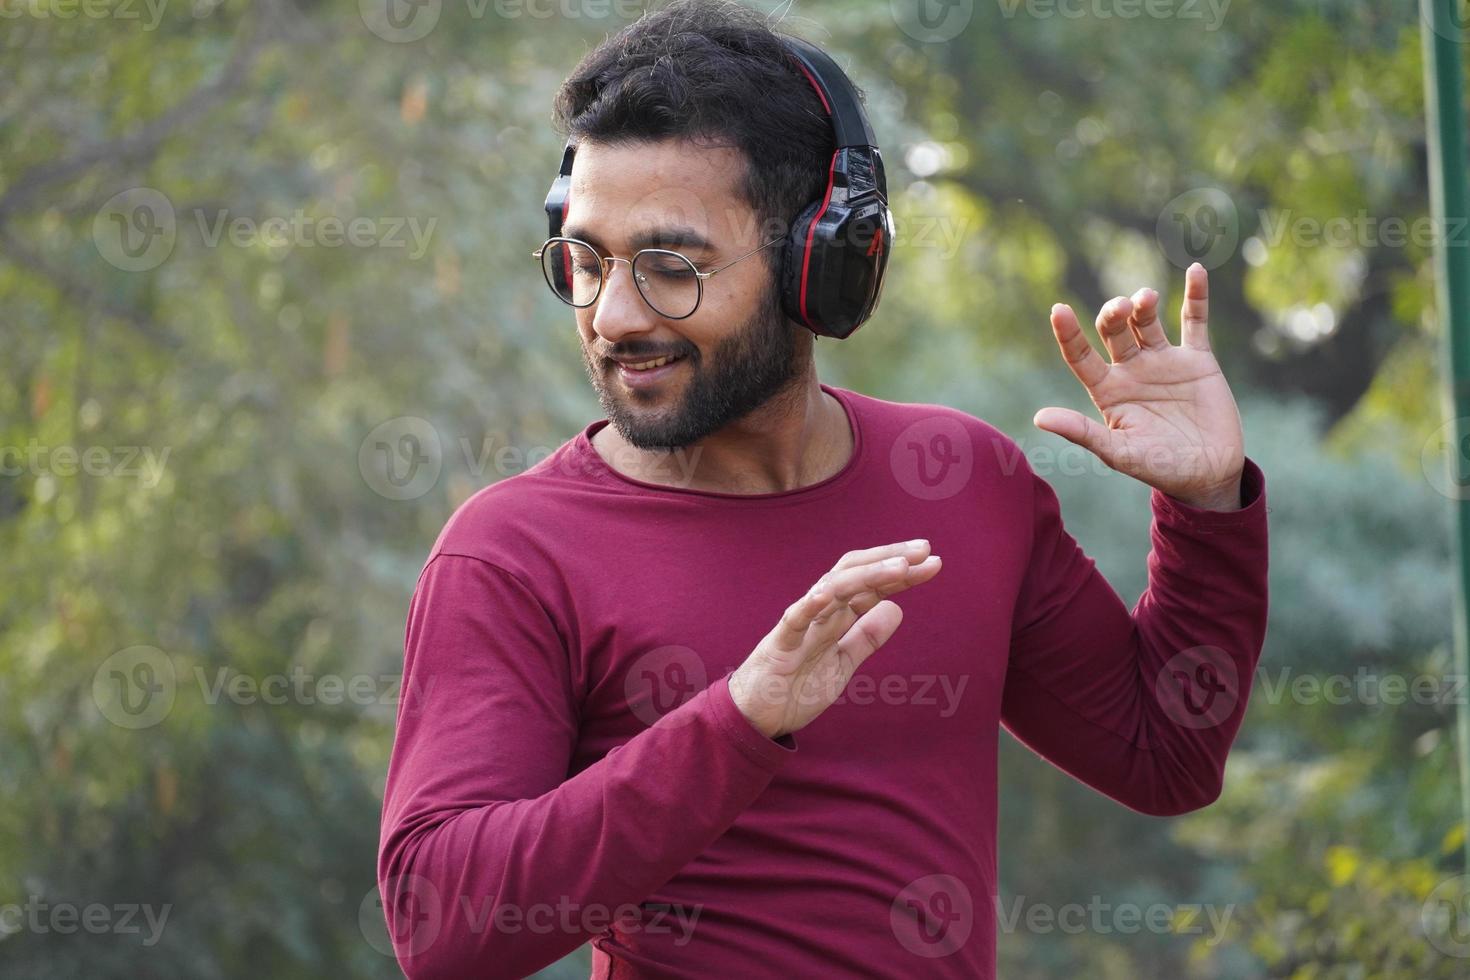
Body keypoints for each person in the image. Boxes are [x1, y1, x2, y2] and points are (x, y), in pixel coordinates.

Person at [377, 2, 1269, 977]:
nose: (614, 315)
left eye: (671, 265)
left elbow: (1162, 755)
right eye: (586, 263)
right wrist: (740, 718)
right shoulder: (512, 549)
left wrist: (1208, 506)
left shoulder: (965, 480)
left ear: (821, 261)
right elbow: (441, 928)